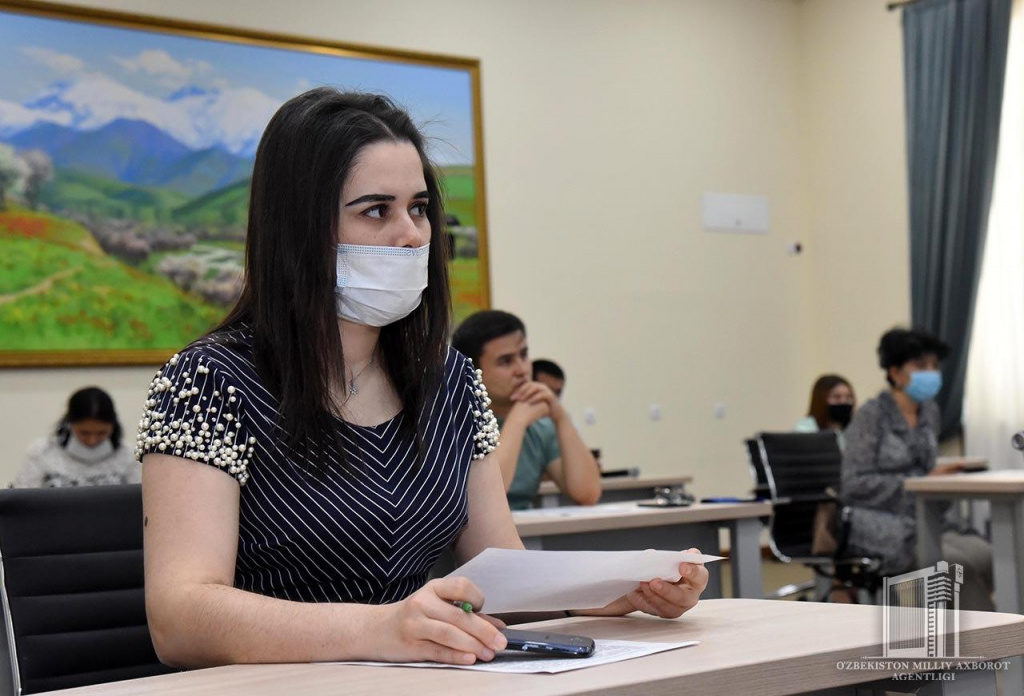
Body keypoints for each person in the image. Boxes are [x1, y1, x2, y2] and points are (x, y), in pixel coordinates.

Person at [136, 88, 708, 669]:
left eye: (420, 208)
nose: (411, 235)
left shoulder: (452, 381)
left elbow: (505, 578)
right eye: (376, 210)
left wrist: (624, 590)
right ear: (300, 228)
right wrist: (382, 627)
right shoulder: (209, 381)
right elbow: (179, 619)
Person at [839, 328, 992, 609]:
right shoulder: (871, 416)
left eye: (934, 366)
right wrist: (918, 482)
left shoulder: (929, 412)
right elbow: (853, 484)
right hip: (879, 522)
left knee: (988, 553)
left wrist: (937, 479)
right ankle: (988, 649)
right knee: (956, 566)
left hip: (927, 519)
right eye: (921, 366)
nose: (931, 373)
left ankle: (997, 636)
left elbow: (926, 468)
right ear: (895, 372)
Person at [452, 311, 601, 510]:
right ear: (472, 372)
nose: (522, 370)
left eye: (523, 355)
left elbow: (587, 494)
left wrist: (560, 417)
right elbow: (486, 498)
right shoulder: (454, 424)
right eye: (506, 361)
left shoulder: (539, 426)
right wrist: (517, 421)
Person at [15, 386, 140, 488]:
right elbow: (24, 500)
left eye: (101, 433)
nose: (92, 440)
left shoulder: (129, 456)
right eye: (84, 433)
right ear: (70, 424)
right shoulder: (42, 453)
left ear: (113, 426)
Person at [794, 374, 856, 449]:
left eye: (848, 397)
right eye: (836, 397)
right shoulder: (804, 429)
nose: (844, 402)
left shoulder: (849, 431)